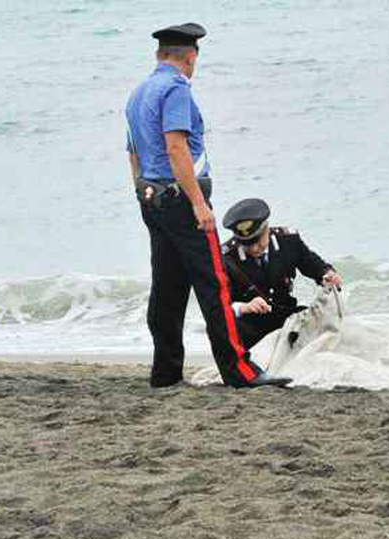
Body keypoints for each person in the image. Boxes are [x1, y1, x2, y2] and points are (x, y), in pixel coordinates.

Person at [125, 23, 289, 388]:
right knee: (214, 285)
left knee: (167, 288)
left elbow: (133, 153)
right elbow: (176, 147)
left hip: (152, 199)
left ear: (159, 54)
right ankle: (239, 370)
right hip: (183, 201)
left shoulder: (138, 93)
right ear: (191, 55)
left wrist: (141, 192)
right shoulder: (176, 88)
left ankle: (165, 372)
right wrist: (199, 204)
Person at [221, 198, 342, 349]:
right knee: (230, 328)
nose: (254, 249)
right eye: (247, 244)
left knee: (320, 320)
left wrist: (327, 275)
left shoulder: (288, 240)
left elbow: (314, 265)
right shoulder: (226, 258)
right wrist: (245, 307)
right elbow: (218, 305)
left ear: (266, 227)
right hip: (250, 325)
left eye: (258, 241)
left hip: (286, 315)